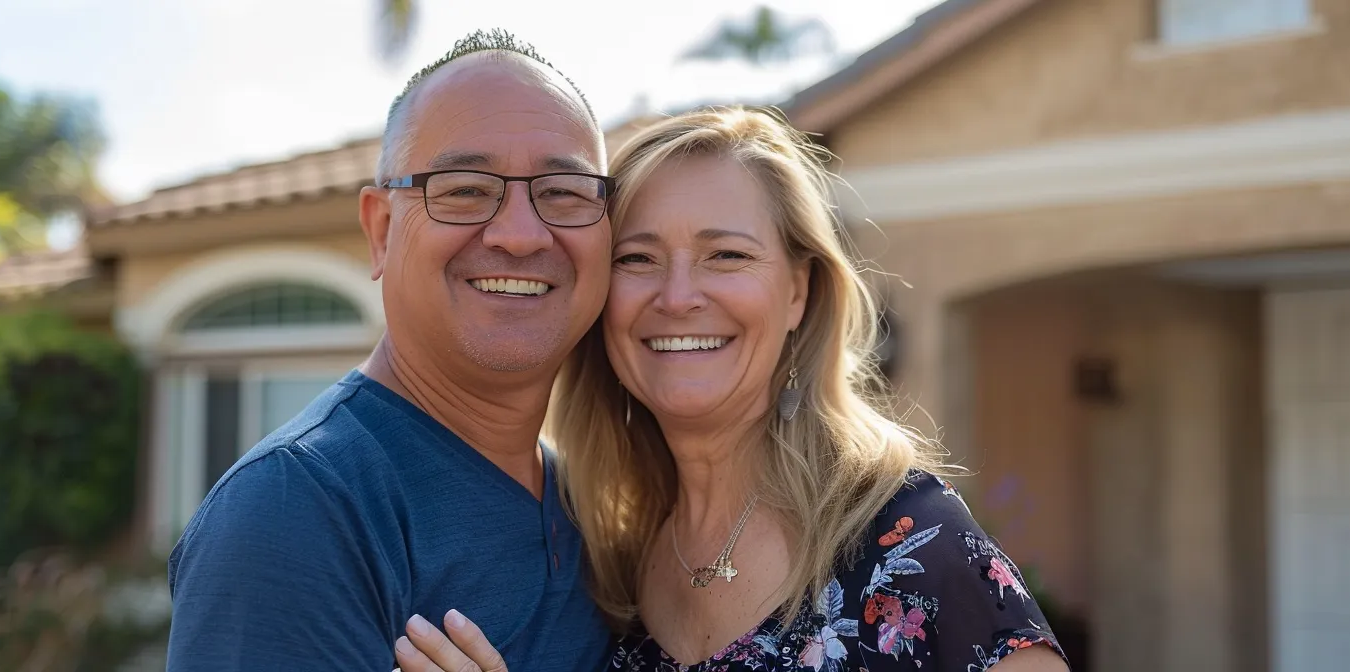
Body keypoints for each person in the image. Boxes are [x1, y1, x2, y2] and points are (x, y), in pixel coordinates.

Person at [393, 108, 1069, 671]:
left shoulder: (910, 544)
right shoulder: (605, 567)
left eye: (727, 255)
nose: (679, 296)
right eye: (637, 259)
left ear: (798, 291)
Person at [164, 30, 614, 671]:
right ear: (381, 230)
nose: (519, 235)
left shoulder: (591, 508)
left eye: (564, 193)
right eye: (464, 188)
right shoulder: (298, 512)